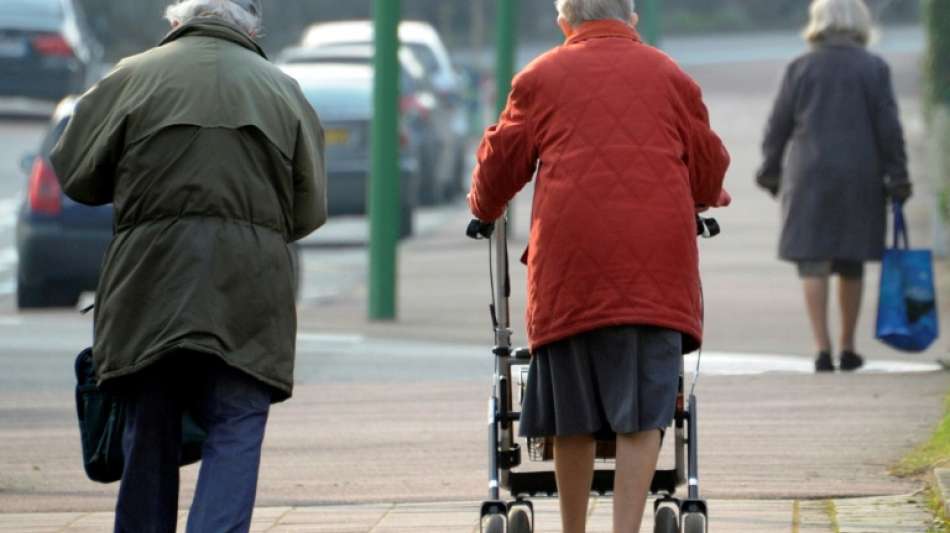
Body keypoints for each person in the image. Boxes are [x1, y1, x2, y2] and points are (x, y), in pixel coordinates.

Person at [49, 0, 327, 531]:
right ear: (252, 28)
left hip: (149, 286)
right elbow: (308, 210)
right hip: (248, 292)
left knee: (148, 428)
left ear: (177, 20)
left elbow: (76, 174)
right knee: (237, 422)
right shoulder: (282, 90)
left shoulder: (131, 77)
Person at [468, 0, 730, 531]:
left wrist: (484, 208)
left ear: (564, 23)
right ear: (631, 19)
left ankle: (573, 528)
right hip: (655, 265)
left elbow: (500, 165)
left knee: (572, 412)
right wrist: (704, 196)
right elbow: (708, 163)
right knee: (644, 410)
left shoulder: (539, 77)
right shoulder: (670, 76)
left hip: (570, 268)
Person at [756, 0, 911, 373]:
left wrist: (770, 170)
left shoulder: (800, 67)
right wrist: (898, 176)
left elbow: (778, 125)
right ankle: (848, 346)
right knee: (851, 261)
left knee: (813, 261)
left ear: (818, 22)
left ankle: (821, 348)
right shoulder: (874, 67)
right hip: (860, 175)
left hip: (809, 174)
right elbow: (889, 128)